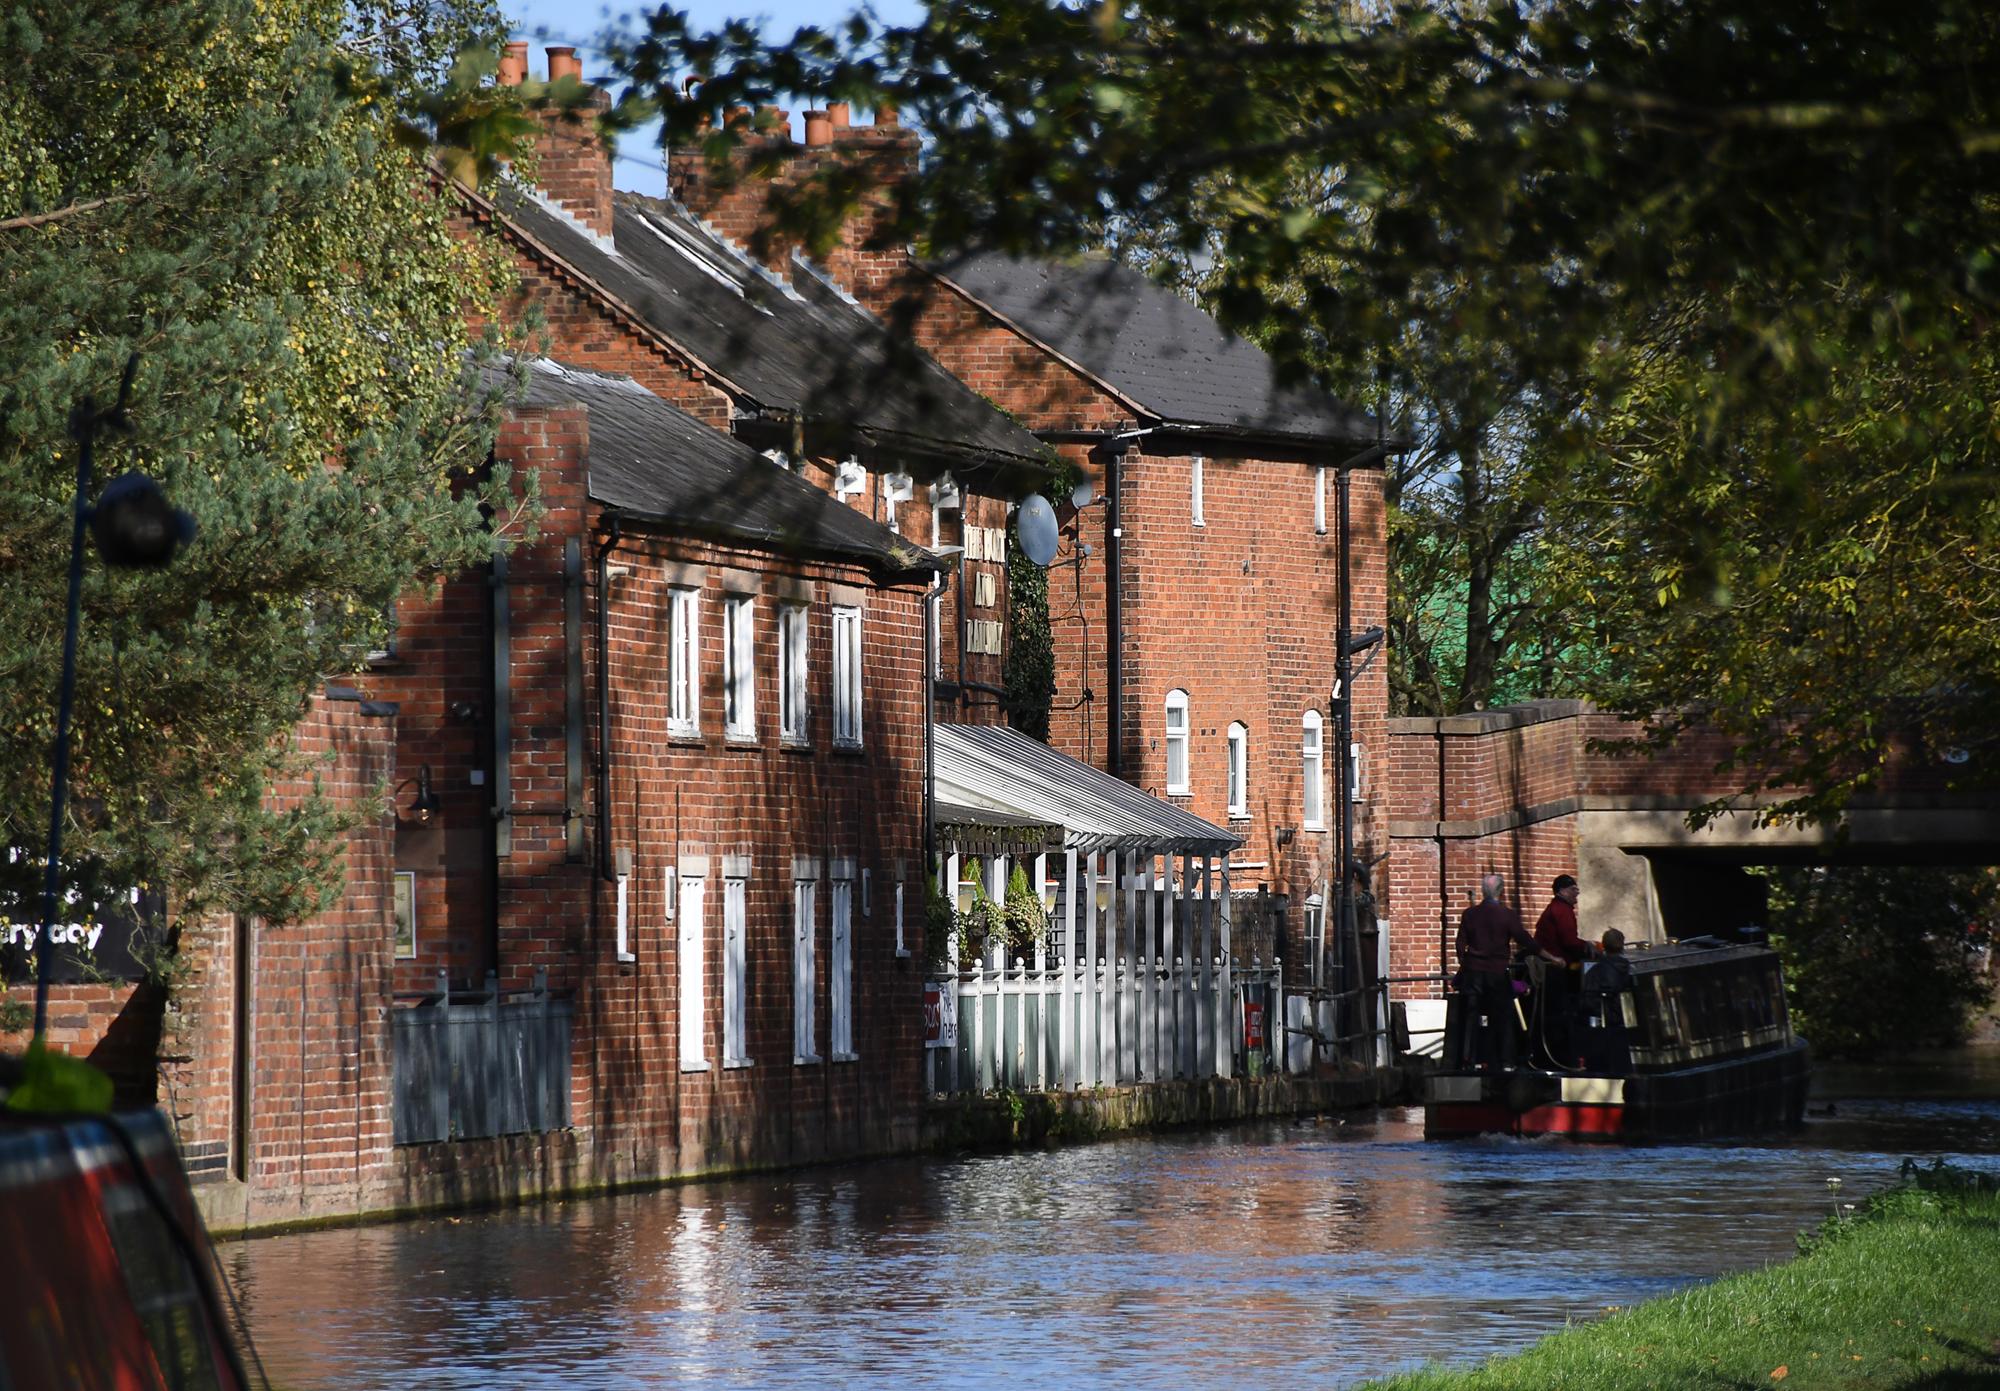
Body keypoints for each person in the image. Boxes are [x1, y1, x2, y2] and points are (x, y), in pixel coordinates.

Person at [1451, 873, 1562, 1070]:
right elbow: (1526, 940)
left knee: (1470, 1017)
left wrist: (1464, 964)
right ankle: (1504, 1061)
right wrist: (1552, 957)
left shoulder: (1469, 914)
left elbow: (1460, 943)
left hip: (1474, 973)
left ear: (1483, 891)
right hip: (1496, 972)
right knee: (1502, 1017)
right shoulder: (1507, 915)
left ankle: (1468, 1060)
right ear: (1501, 892)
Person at [1531, 874, 1595, 1065]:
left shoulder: (1556, 909)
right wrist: (1588, 947)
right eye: (1573, 890)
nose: (1577, 893)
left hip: (1552, 967)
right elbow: (1569, 941)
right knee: (1560, 1013)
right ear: (1561, 891)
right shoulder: (1561, 911)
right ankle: (1564, 1055)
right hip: (1556, 969)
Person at [1580, 928, 1635, 1072]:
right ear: (1622, 946)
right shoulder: (1631, 970)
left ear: (1603, 945)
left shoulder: (1594, 972)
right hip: (1626, 1029)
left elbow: (1587, 1002)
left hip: (1602, 1033)